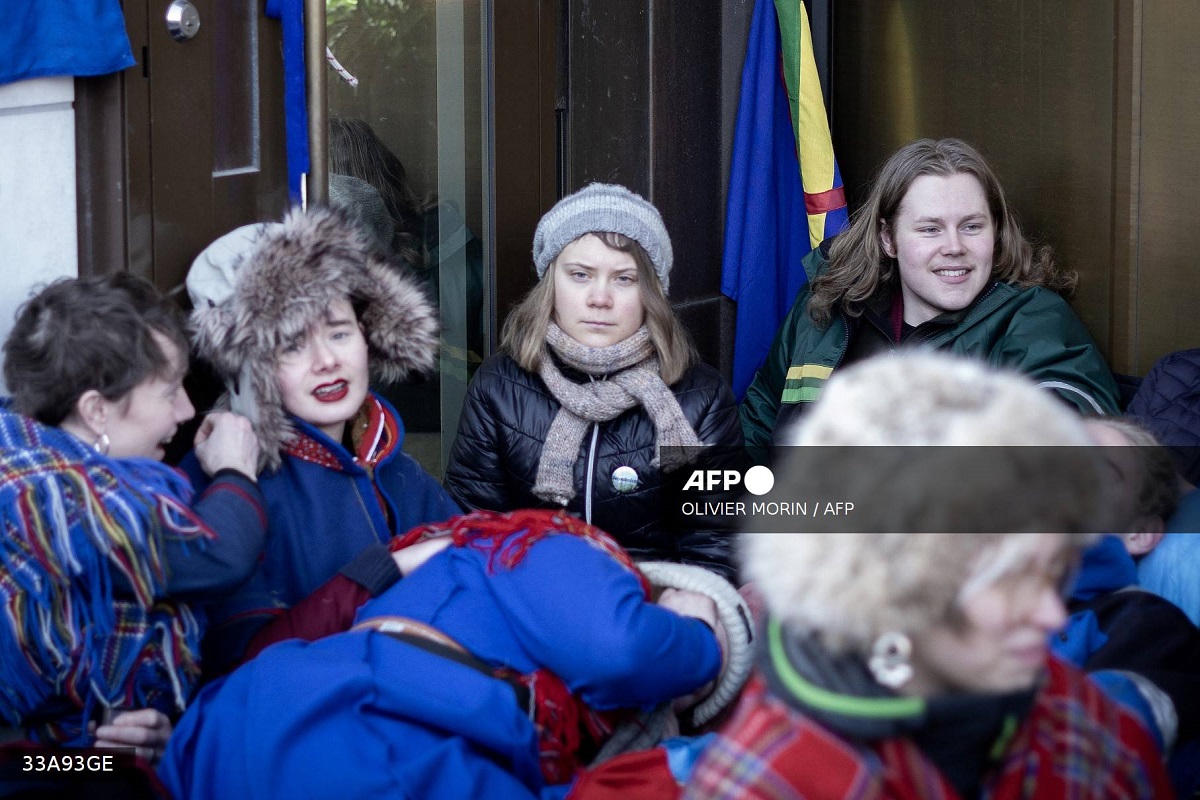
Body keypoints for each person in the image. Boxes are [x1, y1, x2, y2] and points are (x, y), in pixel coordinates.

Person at [686, 352, 1172, 799]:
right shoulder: (767, 776)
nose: (1049, 613)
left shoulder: (1082, 722)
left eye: (1053, 574)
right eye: (1008, 580)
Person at [158, 509, 727, 800]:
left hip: (245, 716)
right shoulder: (549, 545)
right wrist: (701, 639)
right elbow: (623, 649)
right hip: (371, 727)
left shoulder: (453, 551)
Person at [184, 205, 462, 672]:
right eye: (292, 344)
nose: (326, 360)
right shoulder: (227, 490)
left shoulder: (394, 462)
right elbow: (247, 666)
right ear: (250, 368)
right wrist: (383, 572)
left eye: (338, 332)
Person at [0, 274, 265, 757]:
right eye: (168, 392)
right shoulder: (52, 502)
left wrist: (154, 739)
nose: (187, 409)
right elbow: (217, 556)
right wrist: (235, 472)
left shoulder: (21, 450)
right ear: (96, 411)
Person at [740, 138, 1121, 463]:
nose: (954, 247)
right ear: (888, 239)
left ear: (996, 232)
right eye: (930, 229)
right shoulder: (825, 306)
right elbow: (753, 434)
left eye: (972, 226)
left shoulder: (1033, 320)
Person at [444, 183, 744, 578]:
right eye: (581, 275)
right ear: (552, 282)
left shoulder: (699, 398)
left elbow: (715, 547)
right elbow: (472, 530)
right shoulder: (500, 386)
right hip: (529, 607)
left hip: (651, 609)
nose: (599, 298)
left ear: (651, 292)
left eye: (624, 279)